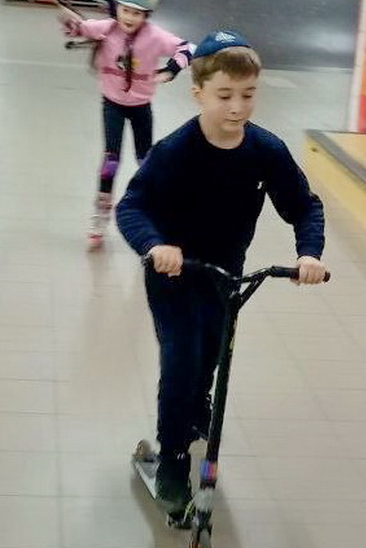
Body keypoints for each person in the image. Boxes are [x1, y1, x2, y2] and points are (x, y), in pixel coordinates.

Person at [115, 30, 328, 512]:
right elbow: (132, 206)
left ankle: (196, 407)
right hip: (174, 272)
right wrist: (154, 245)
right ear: (198, 94)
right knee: (181, 358)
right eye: (224, 95)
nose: (237, 107)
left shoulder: (265, 150)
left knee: (211, 352)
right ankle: (172, 459)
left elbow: (303, 206)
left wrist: (309, 254)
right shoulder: (176, 150)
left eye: (248, 95)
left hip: (227, 276)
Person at [58, 0, 192, 250]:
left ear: (146, 15)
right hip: (113, 104)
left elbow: (188, 48)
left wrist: (171, 70)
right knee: (111, 160)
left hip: (141, 107)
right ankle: (100, 216)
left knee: (146, 161)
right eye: (125, 10)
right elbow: (78, 29)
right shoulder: (106, 28)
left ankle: (154, 213)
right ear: (117, 8)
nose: (129, 17)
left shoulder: (155, 36)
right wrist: (68, 21)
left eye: (137, 13)